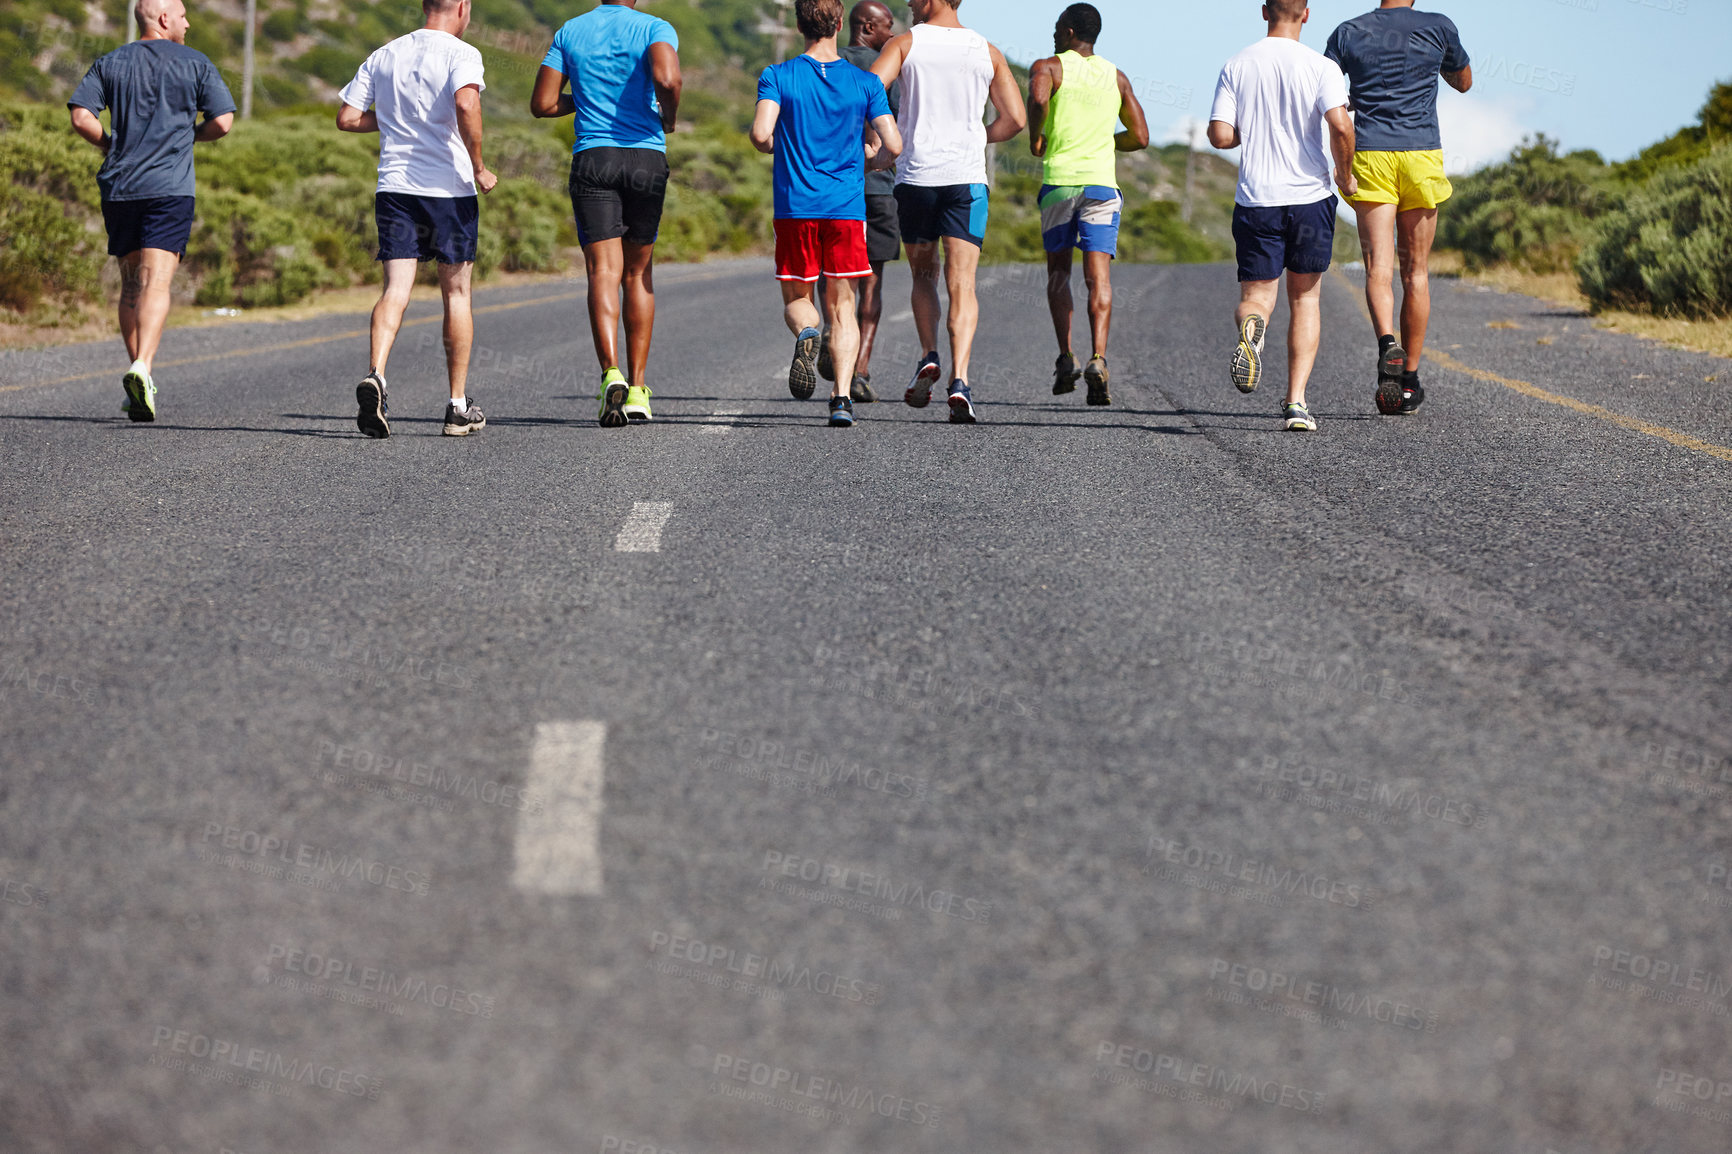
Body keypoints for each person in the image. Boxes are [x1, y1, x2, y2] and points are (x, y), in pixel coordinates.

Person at [67, 0, 234, 423]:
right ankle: (142, 365)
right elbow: (224, 121)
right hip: (169, 189)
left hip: (121, 188)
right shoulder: (195, 63)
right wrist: (189, 136)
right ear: (164, 19)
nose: (188, 22)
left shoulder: (110, 62)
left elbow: (80, 115)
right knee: (157, 281)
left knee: (130, 285)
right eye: (182, 15)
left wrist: (109, 143)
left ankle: (140, 373)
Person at [338, 0, 497, 439]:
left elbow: (347, 118)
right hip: (448, 191)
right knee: (457, 294)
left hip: (395, 188)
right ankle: (457, 406)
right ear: (462, 7)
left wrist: (392, 120)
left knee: (395, 289)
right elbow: (467, 104)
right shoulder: (461, 53)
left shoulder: (384, 53)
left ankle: (377, 375)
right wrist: (479, 166)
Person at [872, 0, 1026, 424]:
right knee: (963, 283)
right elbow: (1015, 118)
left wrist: (885, 138)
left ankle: (928, 354)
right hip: (966, 180)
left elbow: (867, 91)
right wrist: (976, 139)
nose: (907, 2)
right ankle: (960, 380)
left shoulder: (904, 44)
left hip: (916, 179)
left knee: (924, 276)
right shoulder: (987, 50)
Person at [750, 0, 902, 428]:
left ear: (799, 25)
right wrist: (866, 162)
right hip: (846, 210)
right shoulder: (866, 82)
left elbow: (762, 133)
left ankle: (805, 334)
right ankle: (840, 399)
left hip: (796, 207)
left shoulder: (777, 76)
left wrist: (786, 152)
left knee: (800, 299)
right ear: (839, 24)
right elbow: (894, 146)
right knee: (844, 306)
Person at [1207, 0, 1356, 432]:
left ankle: (1252, 326)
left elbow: (1220, 135)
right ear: (1306, 14)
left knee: (1257, 298)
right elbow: (1342, 127)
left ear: (1264, 11)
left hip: (1257, 197)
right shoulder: (1322, 66)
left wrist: (1246, 130)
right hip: (1310, 196)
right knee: (1305, 298)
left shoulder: (1237, 63)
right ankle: (1296, 404)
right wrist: (1345, 177)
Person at [532, 0, 681, 428]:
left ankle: (609, 373)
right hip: (645, 158)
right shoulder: (655, 27)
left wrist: (583, 99)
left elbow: (542, 104)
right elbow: (667, 78)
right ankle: (637, 389)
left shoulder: (570, 31)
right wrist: (666, 117)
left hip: (593, 156)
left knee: (602, 273)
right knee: (637, 274)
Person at [1326, 0, 1471, 415]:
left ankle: (1387, 343)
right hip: (1421, 153)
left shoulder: (1347, 31)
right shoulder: (1438, 26)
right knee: (1417, 272)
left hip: (1370, 153)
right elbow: (1463, 82)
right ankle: (1408, 380)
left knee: (1378, 269)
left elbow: (1324, 91)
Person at [1026, 2, 1149, 407]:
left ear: (1067, 30)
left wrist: (1036, 138)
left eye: (1056, 28)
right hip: (1102, 186)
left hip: (1060, 183)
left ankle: (1065, 357)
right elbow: (1141, 136)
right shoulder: (1116, 76)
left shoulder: (1049, 66)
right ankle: (1098, 357)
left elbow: (1040, 100)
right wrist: (1107, 142)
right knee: (1099, 277)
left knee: (1059, 273)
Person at [814, 0, 903, 404]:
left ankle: (832, 328)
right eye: (888, 26)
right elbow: (895, 129)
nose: (893, 32)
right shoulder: (887, 71)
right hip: (879, 187)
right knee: (872, 279)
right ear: (868, 26)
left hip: (828, 187)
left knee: (826, 270)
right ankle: (861, 368)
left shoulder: (823, 64)